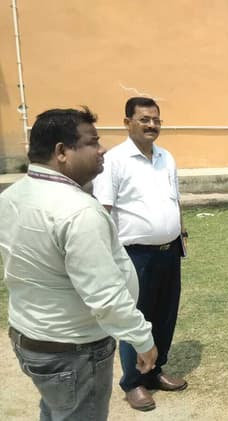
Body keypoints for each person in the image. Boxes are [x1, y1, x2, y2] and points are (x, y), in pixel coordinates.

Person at [0, 107, 157, 420]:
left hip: (31, 338)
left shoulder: (12, 195)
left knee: (57, 411)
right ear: (62, 151)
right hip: (73, 350)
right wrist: (142, 339)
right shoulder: (78, 211)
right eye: (92, 142)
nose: (102, 150)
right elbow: (105, 295)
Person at [92, 97, 187, 411]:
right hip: (135, 256)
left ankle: (155, 371)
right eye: (144, 119)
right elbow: (103, 210)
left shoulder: (165, 157)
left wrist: (181, 234)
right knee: (136, 316)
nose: (152, 125)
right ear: (127, 122)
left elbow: (174, 200)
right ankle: (133, 381)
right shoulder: (115, 160)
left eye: (156, 120)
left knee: (165, 314)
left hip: (168, 252)